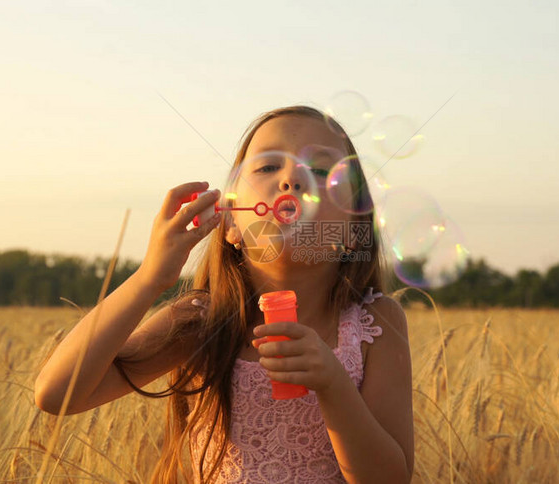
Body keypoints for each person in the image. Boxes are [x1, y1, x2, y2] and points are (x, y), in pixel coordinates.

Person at [34, 106, 414, 483]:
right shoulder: (203, 320)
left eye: (319, 171)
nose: (292, 180)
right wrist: (149, 278)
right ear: (231, 221)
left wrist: (334, 384)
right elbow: (57, 394)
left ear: (353, 229)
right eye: (267, 167)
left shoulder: (374, 322)